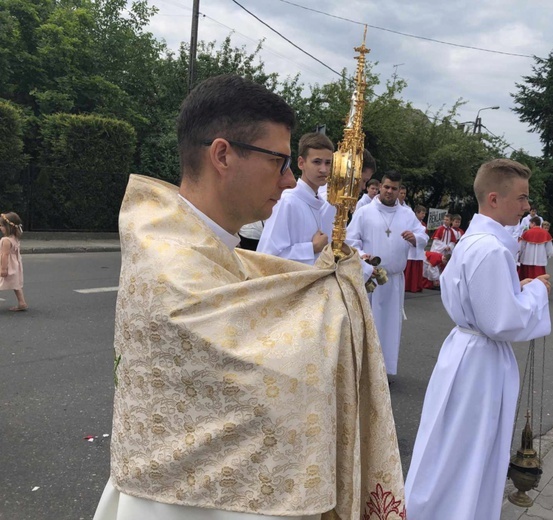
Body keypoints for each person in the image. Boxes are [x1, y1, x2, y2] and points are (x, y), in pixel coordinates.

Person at [94, 74, 405, 520]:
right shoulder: (170, 259)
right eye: (279, 162)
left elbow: (261, 290)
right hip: (181, 504)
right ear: (223, 155)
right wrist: (336, 302)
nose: (287, 179)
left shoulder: (204, 245)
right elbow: (269, 360)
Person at [405, 158, 551, 520]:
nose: (526, 207)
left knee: (450, 443)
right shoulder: (491, 249)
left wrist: (516, 288)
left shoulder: (475, 240)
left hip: (466, 351)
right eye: (521, 198)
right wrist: (537, 293)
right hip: (481, 364)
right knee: (470, 448)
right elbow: (502, 322)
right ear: (494, 198)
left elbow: (478, 300)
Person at [346, 171, 428, 375]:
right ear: (380, 187)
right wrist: (364, 256)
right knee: (368, 325)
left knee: (390, 328)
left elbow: (422, 235)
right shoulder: (364, 212)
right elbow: (351, 241)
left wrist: (414, 238)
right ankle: (364, 372)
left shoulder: (407, 214)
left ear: (400, 190)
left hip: (393, 281)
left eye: (394, 188)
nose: (390, 191)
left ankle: (385, 370)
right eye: (386, 187)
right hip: (370, 279)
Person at [256, 133, 336, 265]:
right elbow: (267, 257)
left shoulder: (318, 202)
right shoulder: (288, 201)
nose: (324, 169)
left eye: (328, 163)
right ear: (301, 163)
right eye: (317, 162)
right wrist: (312, 248)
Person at [0, 212, 28, 311]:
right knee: (16, 284)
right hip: (15, 265)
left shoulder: (5, 240)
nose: (0, 228)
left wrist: (3, 269)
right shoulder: (15, 238)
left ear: (8, 227)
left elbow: (4, 255)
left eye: (2, 225)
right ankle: (22, 302)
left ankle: (22, 303)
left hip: (6, 265)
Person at [404, 204, 427, 293]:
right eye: (422, 213)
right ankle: (408, 286)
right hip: (410, 246)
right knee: (410, 267)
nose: (423, 215)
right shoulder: (410, 222)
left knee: (417, 267)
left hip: (419, 247)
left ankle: (416, 285)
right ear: (416, 213)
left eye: (424, 214)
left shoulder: (423, 224)